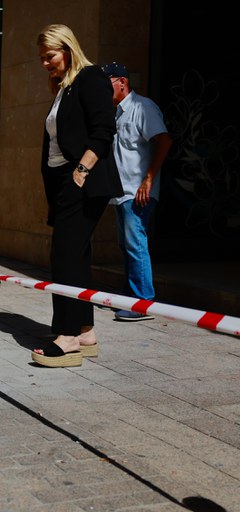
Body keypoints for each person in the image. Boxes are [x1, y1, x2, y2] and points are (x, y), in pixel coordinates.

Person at [31, 24, 123, 367]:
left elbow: (104, 131)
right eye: (41, 58)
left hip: (81, 180)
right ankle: (84, 331)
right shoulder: (64, 87)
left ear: (67, 49)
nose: (45, 63)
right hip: (64, 181)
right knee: (77, 255)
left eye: (49, 56)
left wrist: (81, 172)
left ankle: (67, 338)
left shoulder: (90, 77)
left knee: (65, 255)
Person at [102, 62, 172, 321]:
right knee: (126, 244)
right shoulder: (116, 113)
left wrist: (149, 179)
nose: (102, 88)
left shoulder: (142, 107)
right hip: (122, 191)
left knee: (135, 243)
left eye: (106, 82)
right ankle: (130, 294)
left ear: (122, 81)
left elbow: (164, 140)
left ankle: (143, 301)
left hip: (138, 190)